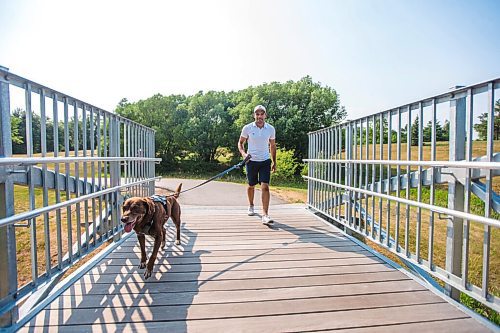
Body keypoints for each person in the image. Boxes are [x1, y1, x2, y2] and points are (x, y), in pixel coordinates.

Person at [238, 104, 277, 224]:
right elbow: (240, 143)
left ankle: (265, 215)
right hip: (251, 161)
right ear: (254, 115)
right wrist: (244, 155)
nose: (259, 116)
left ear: (265, 115)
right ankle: (251, 205)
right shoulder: (248, 128)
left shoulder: (270, 129)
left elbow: (272, 145)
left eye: (262, 114)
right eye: (257, 114)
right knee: (251, 185)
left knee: (265, 186)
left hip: (265, 161)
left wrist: (274, 161)